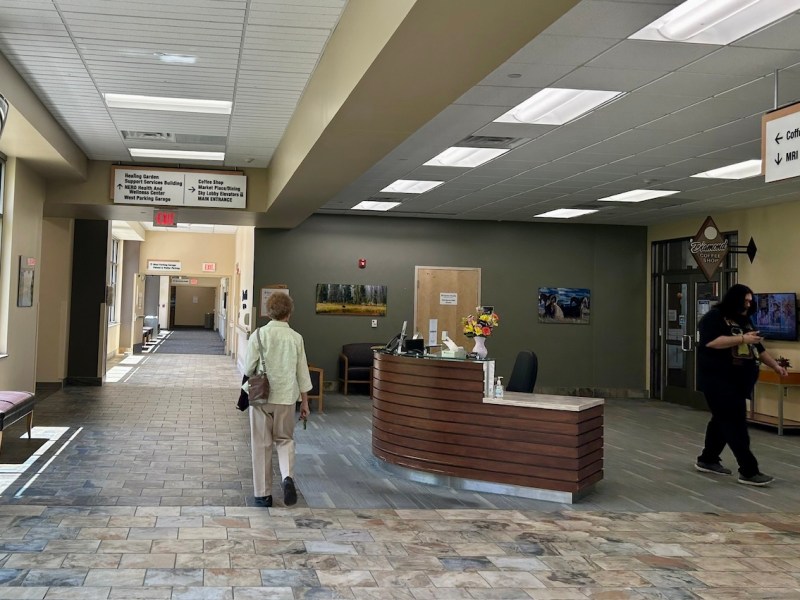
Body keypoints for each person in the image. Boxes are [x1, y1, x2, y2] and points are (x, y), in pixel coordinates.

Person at [695, 284, 787, 486]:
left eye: (750, 300)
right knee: (735, 423)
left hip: (738, 381)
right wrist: (742, 338)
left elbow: (758, 349)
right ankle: (748, 470)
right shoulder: (713, 318)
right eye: (745, 300)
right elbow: (711, 342)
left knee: (721, 420)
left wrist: (776, 367)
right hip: (717, 380)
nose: (749, 303)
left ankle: (708, 459)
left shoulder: (744, 320)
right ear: (734, 299)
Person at [244, 292, 311, 507]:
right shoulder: (296, 338)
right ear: (289, 313)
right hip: (286, 397)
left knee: (261, 444)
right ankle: (287, 477)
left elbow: (248, 368)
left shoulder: (258, 335)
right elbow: (303, 373)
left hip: (261, 397)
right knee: (285, 439)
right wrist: (305, 402)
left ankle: (263, 495)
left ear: (269, 312)